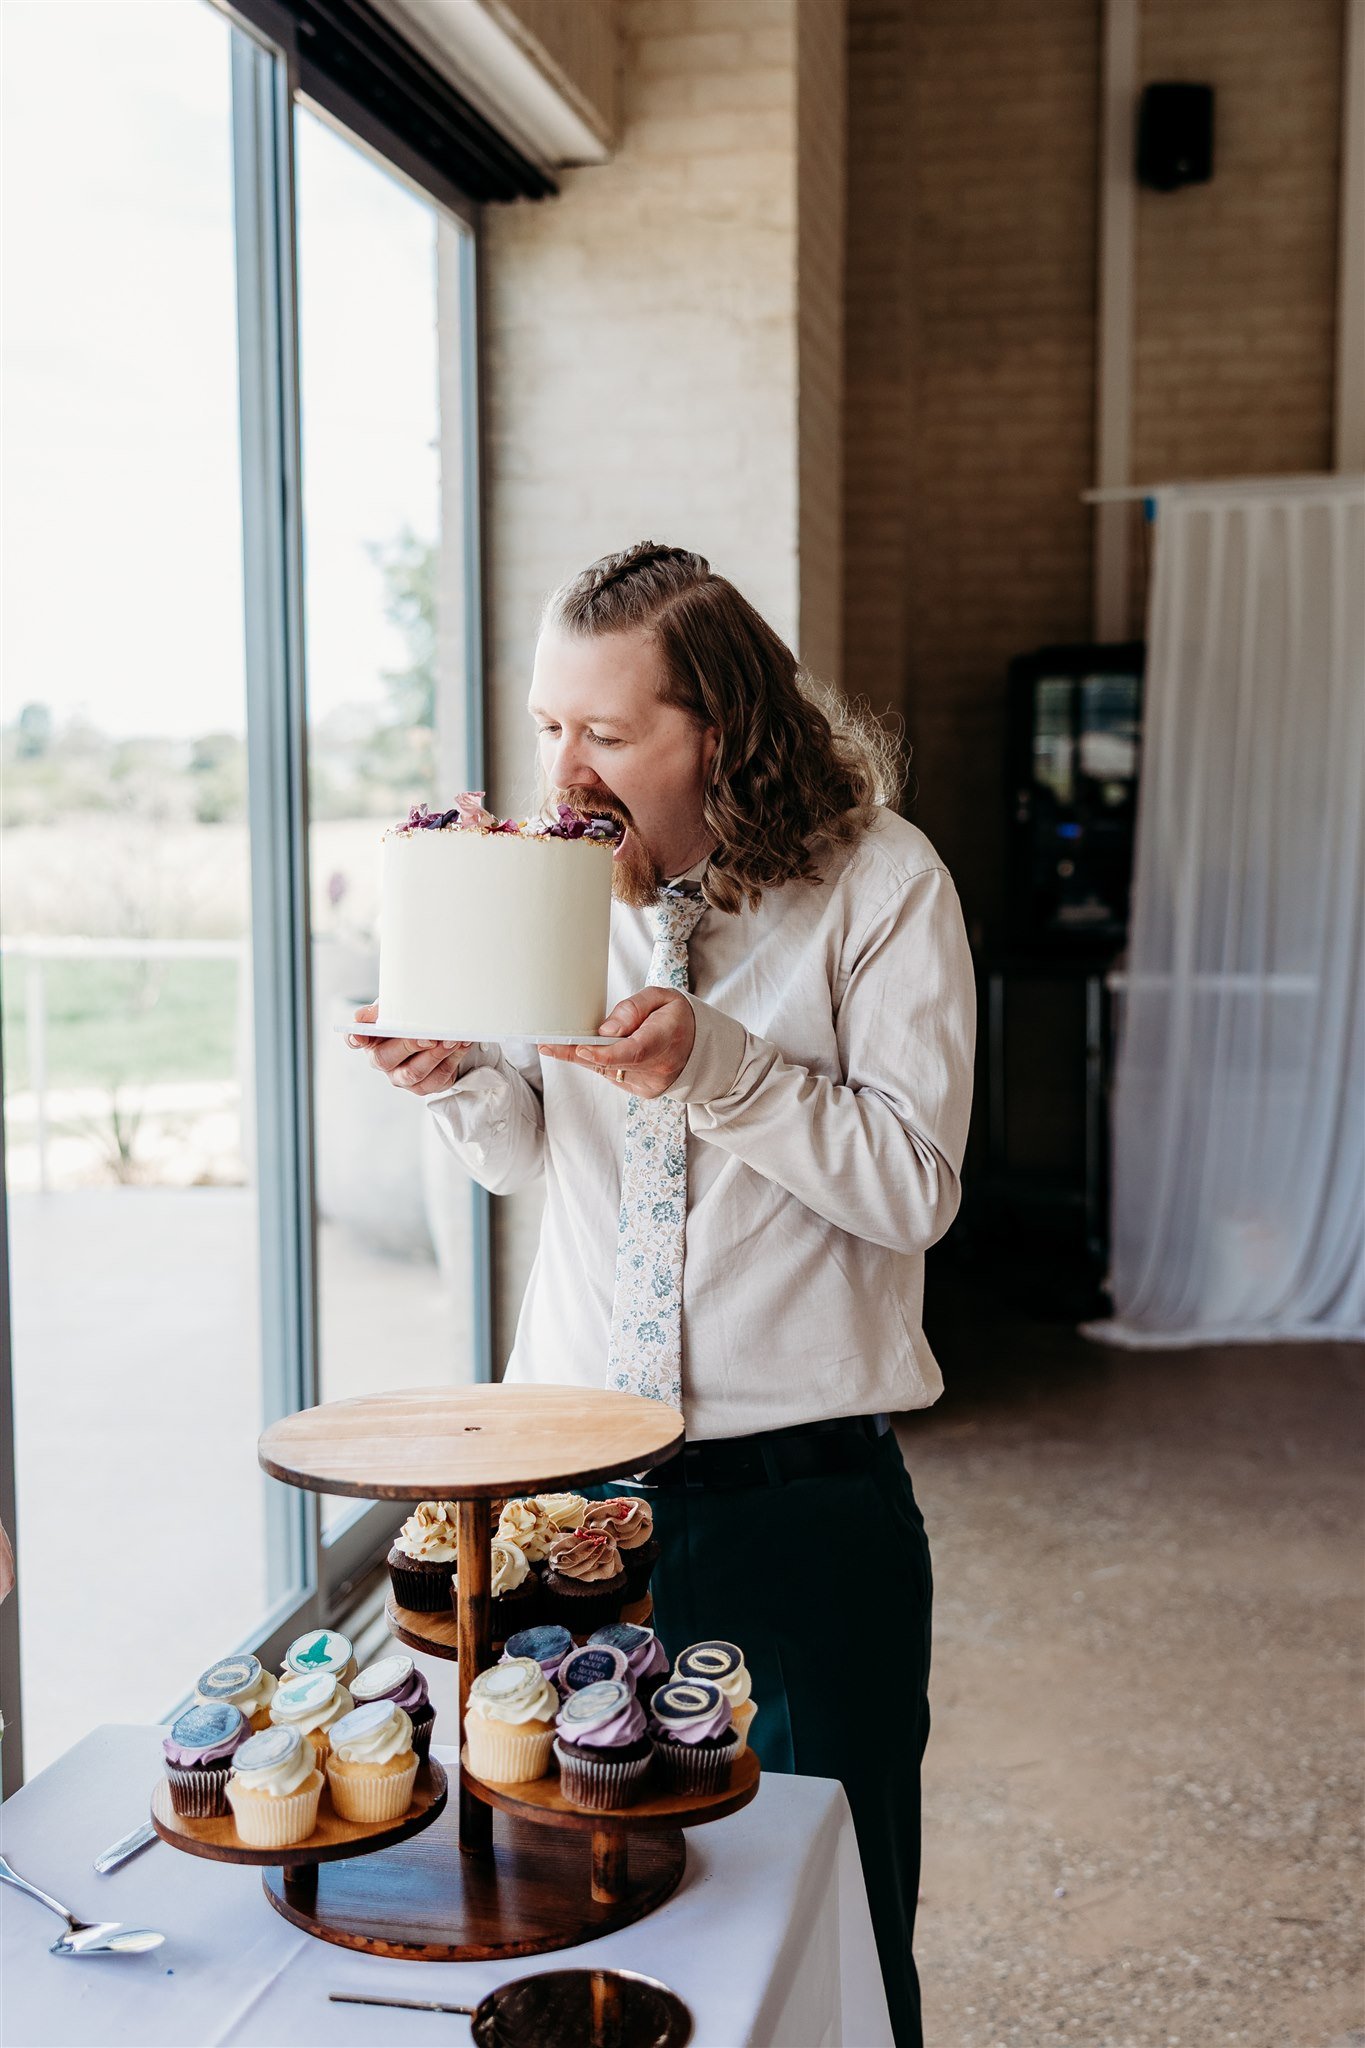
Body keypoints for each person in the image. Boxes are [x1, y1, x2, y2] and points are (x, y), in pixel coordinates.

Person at [348, 541, 975, 2047]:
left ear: (721, 733)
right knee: (566, 1916)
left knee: (832, 1920)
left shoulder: (883, 883)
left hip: (799, 1510)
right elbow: (526, 1157)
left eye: (607, 734)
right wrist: (456, 1079)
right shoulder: (550, 884)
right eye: (547, 725)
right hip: (559, 1502)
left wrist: (719, 1068)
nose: (562, 773)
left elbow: (914, 1189)